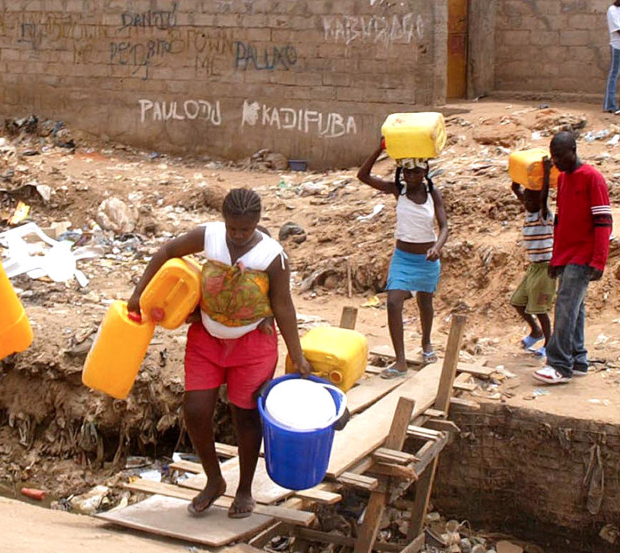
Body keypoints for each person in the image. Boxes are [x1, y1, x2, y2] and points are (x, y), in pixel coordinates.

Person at [127, 188, 311, 519]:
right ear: (224, 221)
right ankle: (214, 481)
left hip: (253, 344)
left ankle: (244, 489)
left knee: (245, 417)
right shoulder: (209, 237)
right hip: (207, 339)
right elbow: (167, 251)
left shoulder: (272, 256)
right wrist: (138, 292)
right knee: (196, 410)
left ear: (257, 222)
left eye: (245, 229)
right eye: (232, 228)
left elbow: (283, 306)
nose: (238, 236)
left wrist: (297, 355)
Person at [356, 140, 449, 378]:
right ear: (402, 172)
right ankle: (400, 361)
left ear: (425, 171)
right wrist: (379, 149)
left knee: (425, 304)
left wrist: (437, 247)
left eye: (417, 171)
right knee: (393, 302)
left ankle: (427, 344)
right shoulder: (398, 191)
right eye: (407, 171)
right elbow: (363, 175)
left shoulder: (433, 194)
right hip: (403, 258)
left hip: (427, 260)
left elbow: (445, 226)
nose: (412, 176)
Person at [533, 131, 611, 385]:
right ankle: (578, 358)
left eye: (559, 156)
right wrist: (556, 258)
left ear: (573, 151)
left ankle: (559, 364)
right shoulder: (564, 179)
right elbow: (561, 220)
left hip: (583, 254)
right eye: (553, 157)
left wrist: (599, 259)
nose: (555, 162)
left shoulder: (592, 178)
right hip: (567, 254)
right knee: (576, 308)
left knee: (566, 307)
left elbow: (603, 221)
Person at [509, 161, 555, 358]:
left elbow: (542, 196)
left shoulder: (544, 215)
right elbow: (520, 192)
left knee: (540, 308)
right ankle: (535, 331)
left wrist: (545, 173)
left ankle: (549, 342)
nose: (526, 203)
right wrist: (516, 177)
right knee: (518, 302)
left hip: (546, 268)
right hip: (534, 267)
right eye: (525, 200)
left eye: (530, 200)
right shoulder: (530, 211)